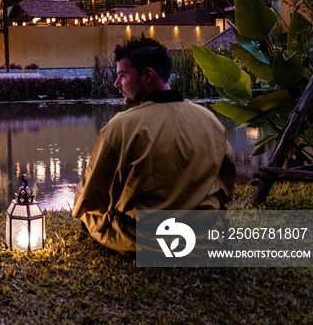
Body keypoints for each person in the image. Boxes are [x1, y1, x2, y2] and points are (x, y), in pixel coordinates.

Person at [72, 35, 236, 254]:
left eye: (122, 75)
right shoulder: (210, 120)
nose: (116, 83)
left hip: (148, 240)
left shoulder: (121, 127)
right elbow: (226, 184)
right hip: (205, 235)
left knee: (87, 210)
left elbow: (92, 197)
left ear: (148, 75)